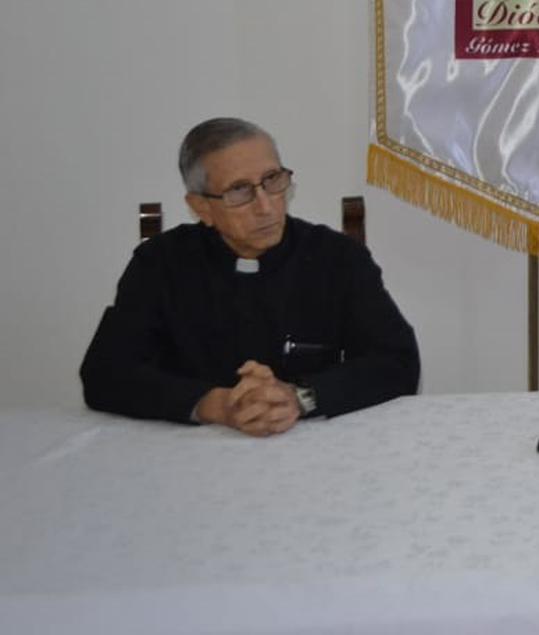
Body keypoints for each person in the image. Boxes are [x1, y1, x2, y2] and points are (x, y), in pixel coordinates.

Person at [80, 118, 420, 435]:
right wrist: (213, 404)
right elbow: (104, 373)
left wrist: (301, 397)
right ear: (201, 207)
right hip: (191, 451)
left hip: (308, 445)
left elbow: (398, 361)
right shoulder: (159, 263)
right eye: (239, 190)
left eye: (272, 180)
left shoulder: (337, 257)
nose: (265, 206)